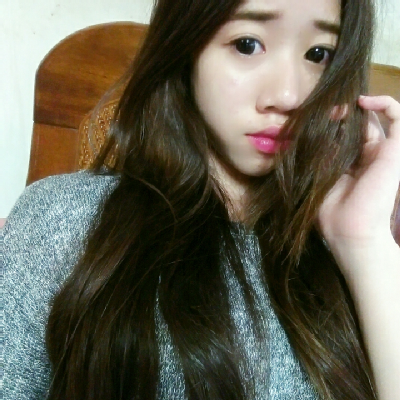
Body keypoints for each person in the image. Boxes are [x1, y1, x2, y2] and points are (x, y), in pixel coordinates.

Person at [2, 0, 400, 398]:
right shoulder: (63, 222)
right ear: (186, 46)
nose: (288, 95)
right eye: (247, 44)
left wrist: (363, 243)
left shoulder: (352, 249)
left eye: (318, 54)